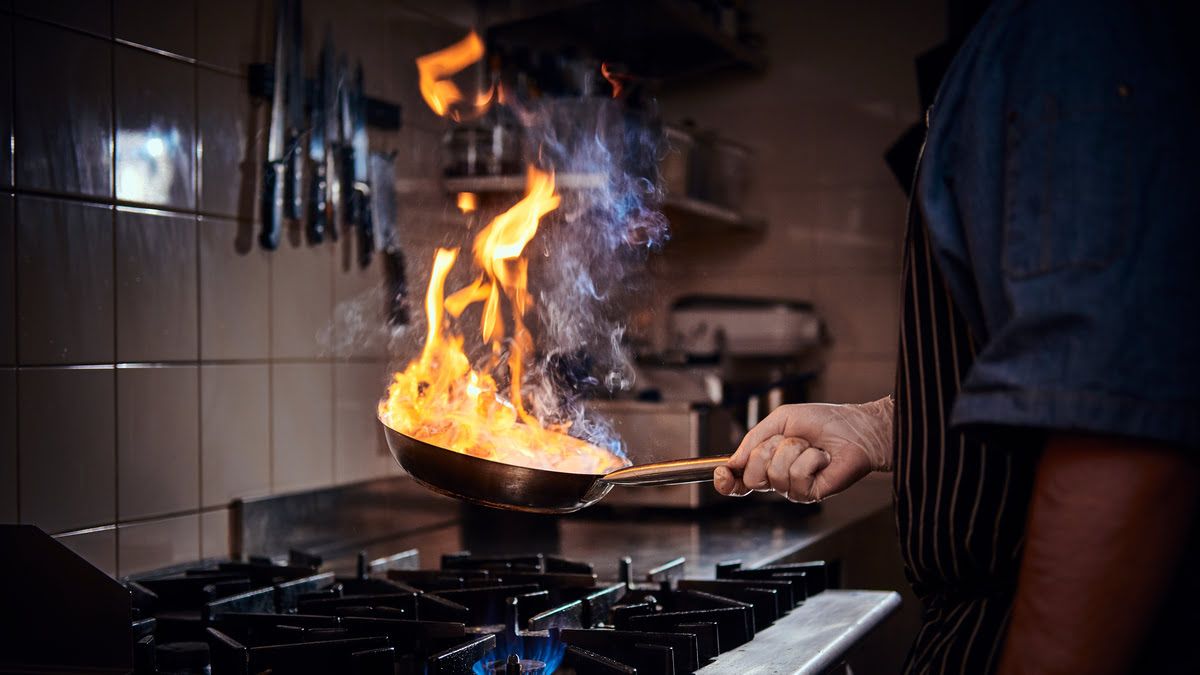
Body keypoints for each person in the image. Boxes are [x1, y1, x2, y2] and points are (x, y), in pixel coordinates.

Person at [713, 0, 1200, 672]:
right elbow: (1049, 370)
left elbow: (1118, 427)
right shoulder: (1012, 42)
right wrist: (884, 426)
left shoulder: (1074, 26)